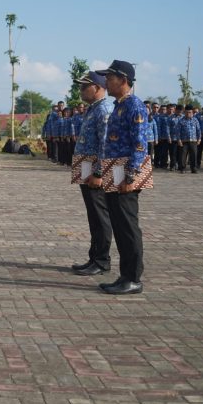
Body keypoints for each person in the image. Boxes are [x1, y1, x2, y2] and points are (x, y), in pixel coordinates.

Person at [94, 60, 147, 295]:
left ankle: (133, 277)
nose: (106, 81)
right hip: (114, 169)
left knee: (127, 226)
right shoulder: (119, 105)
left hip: (126, 172)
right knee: (118, 224)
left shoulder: (135, 106)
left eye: (110, 77)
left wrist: (132, 176)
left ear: (123, 80)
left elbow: (139, 144)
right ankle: (125, 275)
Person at [71, 72, 113, 276]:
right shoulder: (92, 109)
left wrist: (99, 173)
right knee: (93, 216)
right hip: (86, 167)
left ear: (96, 88)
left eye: (83, 87)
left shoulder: (103, 110)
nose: (80, 91)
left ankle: (102, 260)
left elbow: (105, 145)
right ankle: (94, 257)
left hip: (95, 171)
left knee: (100, 215)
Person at [178, 104, 201, 174]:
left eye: (190, 112)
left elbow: (198, 130)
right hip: (184, 141)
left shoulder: (195, 120)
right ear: (185, 112)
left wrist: (199, 139)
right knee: (183, 156)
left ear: (192, 113)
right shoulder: (181, 120)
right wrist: (179, 140)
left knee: (194, 155)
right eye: (187, 112)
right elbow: (178, 131)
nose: (188, 114)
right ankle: (182, 168)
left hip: (193, 141)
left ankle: (193, 168)